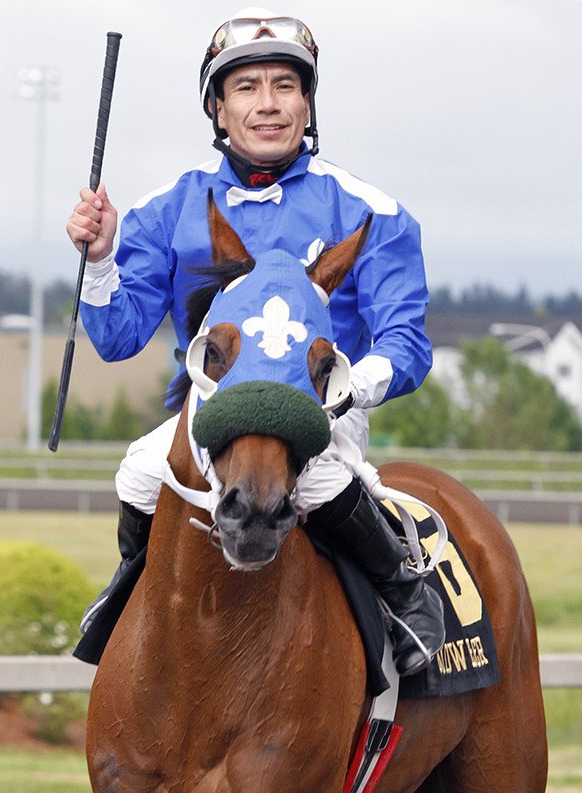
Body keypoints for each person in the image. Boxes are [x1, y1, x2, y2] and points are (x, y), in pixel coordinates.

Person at [66, 7, 445, 675]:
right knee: (139, 467)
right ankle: (131, 586)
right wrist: (99, 260)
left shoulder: (373, 212)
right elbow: (119, 337)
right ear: (218, 108)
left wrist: (343, 389)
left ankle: (405, 595)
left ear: (307, 104)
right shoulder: (166, 209)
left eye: (284, 86)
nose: (267, 104)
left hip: (323, 416)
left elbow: (406, 345)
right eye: (246, 87)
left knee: (320, 478)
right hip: (210, 416)